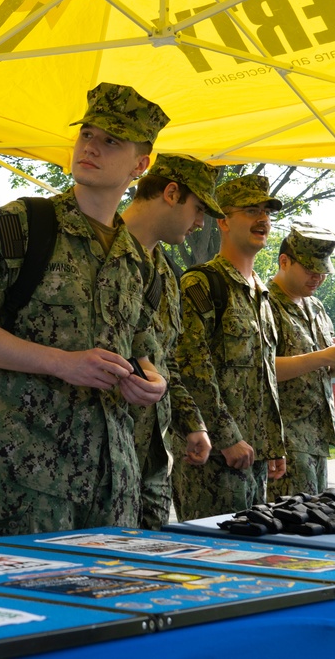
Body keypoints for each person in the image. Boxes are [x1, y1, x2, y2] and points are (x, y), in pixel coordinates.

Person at [0, 82, 170, 538]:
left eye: (111, 141)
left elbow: (143, 346)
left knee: (113, 607)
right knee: (30, 601)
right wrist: (63, 364)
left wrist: (150, 379)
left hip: (116, 481)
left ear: (140, 164)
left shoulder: (136, 256)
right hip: (32, 480)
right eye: (87, 134)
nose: (91, 147)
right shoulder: (22, 224)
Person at [172, 174, 287, 521]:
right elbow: (192, 369)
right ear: (222, 221)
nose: (262, 219)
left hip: (254, 458)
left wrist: (273, 444)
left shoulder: (262, 294)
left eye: (266, 211)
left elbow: (264, 376)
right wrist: (225, 437)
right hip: (213, 460)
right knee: (213, 561)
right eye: (250, 210)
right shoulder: (202, 282)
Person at [120, 154, 218, 529]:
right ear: (171, 193)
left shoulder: (164, 272)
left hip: (150, 466)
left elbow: (167, 363)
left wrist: (192, 423)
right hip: (92, 465)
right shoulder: (95, 254)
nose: (200, 223)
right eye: (198, 209)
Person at [268, 222, 335, 498]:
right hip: (285, 439)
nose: (318, 278)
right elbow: (263, 369)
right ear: (284, 262)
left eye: (323, 272)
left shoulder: (315, 306)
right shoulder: (264, 303)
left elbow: (317, 364)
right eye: (311, 270)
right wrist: (326, 356)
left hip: (318, 436)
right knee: (289, 525)